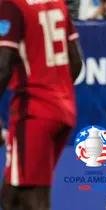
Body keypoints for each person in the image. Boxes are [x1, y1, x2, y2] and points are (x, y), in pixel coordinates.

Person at [0, 0, 82, 210]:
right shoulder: (58, 3)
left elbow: (3, 65)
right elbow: (76, 62)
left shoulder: (11, 5)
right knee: (13, 194)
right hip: (62, 109)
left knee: (33, 197)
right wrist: (55, 91)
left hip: (33, 113)